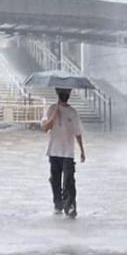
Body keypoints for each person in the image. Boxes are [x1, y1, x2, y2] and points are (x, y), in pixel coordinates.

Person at [41, 88, 86, 218]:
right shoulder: (51, 109)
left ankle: (70, 207)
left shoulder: (73, 112)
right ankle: (58, 204)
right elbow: (45, 128)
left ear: (69, 95)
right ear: (59, 94)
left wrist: (82, 151)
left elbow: (78, 133)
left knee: (69, 181)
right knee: (55, 180)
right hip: (54, 151)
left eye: (67, 93)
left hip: (68, 153)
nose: (65, 95)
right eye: (63, 93)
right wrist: (55, 113)